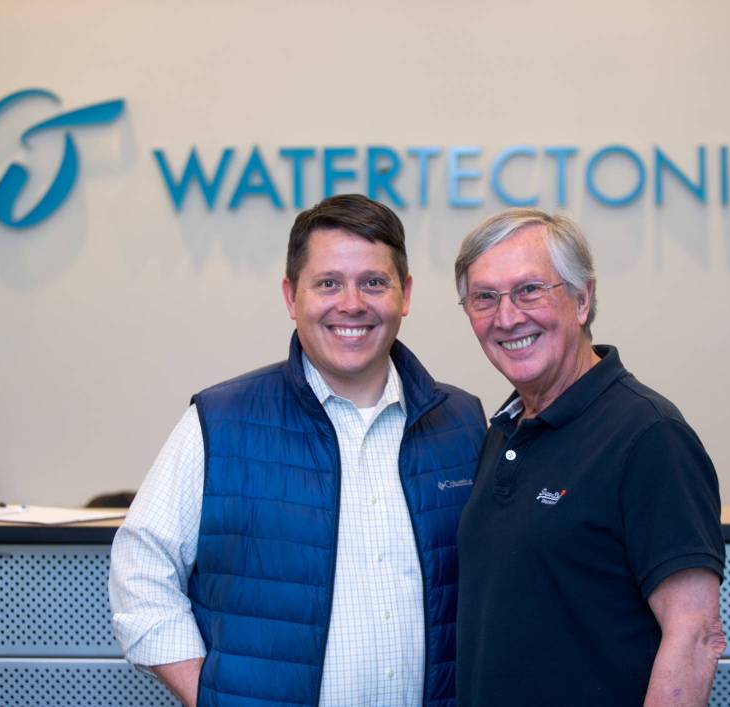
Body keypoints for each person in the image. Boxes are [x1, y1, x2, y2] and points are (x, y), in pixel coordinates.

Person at [110, 194, 486, 707]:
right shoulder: (219, 421)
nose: (351, 303)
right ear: (291, 297)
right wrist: (214, 696)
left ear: (405, 294)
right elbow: (141, 570)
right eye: (328, 283)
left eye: (374, 282)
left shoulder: (463, 423)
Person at [453, 208, 726, 706]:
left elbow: (696, 635)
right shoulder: (501, 430)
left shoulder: (649, 435)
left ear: (582, 299)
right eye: (484, 298)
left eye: (530, 290)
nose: (507, 316)